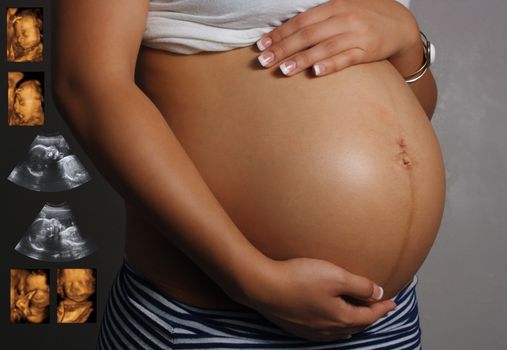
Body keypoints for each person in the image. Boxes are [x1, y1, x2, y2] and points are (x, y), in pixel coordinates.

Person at [52, 0, 445, 349]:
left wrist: (408, 44)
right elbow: (86, 86)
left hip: (384, 321)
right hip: (212, 323)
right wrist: (253, 280)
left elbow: (415, 111)